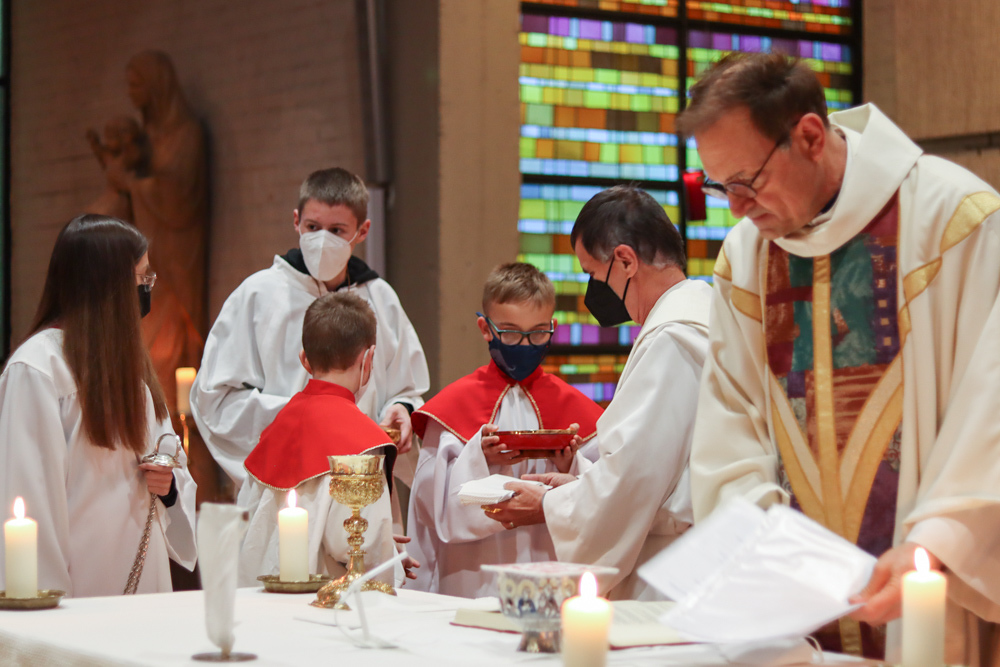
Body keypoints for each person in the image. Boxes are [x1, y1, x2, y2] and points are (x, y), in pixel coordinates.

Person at [680, 52, 1000, 663]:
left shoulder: (953, 220)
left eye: (746, 181)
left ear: (809, 136)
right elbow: (730, 426)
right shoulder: (746, 257)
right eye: (719, 186)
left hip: (926, 597)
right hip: (796, 624)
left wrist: (940, 541)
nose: (736, 207)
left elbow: (992, 409)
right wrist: (760, 545)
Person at [484, 187, 712, 600]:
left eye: (592, 273)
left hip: (676, 568)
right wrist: (578, 484)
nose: (593, 289)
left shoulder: (673, 338)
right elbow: (666, 467)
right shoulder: (703, 314)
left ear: (625, 261)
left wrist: (548, 506)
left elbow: (637, 476)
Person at [191, 167, 429, 493]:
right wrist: (305, 419)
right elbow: (216, 400)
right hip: (284, 479)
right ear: (296, 221)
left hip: (361, 479)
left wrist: (400, 410)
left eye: (337, 230)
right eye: (313, 227)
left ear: (362, 231)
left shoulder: (380, 298)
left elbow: (406, 388)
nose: (322, 240)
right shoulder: (257, 295)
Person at [0, 214, 197, 598]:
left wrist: (170, 487)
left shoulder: (131, 372)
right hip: (77, 601)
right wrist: (48, 610)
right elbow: (30, 502)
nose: (147, 290)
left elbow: (172, 462)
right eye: (142, 278)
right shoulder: (38, 369)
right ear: (106, 286)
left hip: (144, 588)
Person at [406, 263, 604, 597]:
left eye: (538, 333)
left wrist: (570, 464)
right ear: (485, 328)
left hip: (550, 571)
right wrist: (478, 457)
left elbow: (604, 495)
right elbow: (431, 508)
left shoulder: (576, 410)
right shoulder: (452, 408)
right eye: (510, 332)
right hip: (474, 575)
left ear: (553, 328)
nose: (525, 345)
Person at [238, 292, 408, 587]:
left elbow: (250, 522)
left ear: (304, 359)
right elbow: (357, 549)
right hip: (325, 598)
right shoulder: (363, 441)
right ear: (368, 360)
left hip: (262, 591)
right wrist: (393, 560)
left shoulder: (276, 428)